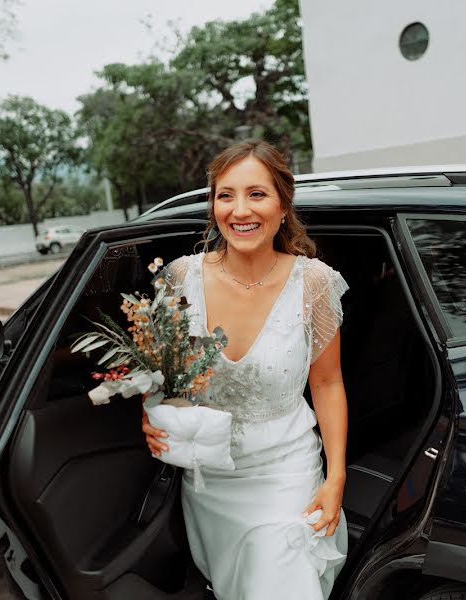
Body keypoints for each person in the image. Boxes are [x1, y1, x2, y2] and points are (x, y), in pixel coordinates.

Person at [142, 139, 349, 599]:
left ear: (282, 204)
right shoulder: (180, 277)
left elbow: (328, 383)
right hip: (209, 479)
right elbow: (165, 373)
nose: (240, 210)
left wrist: (336, 479)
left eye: (257, 194)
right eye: (225, 194)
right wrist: (151, 409)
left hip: (286, 474)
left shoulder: (313, 282)